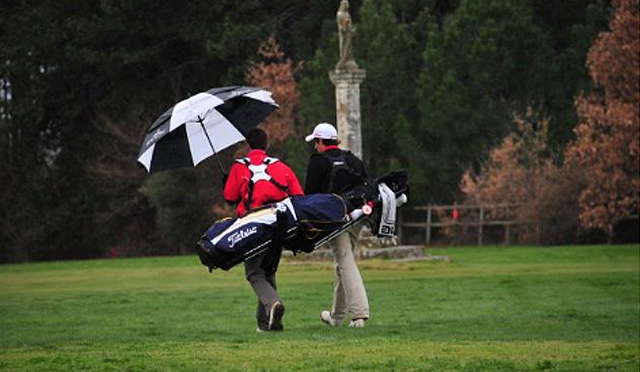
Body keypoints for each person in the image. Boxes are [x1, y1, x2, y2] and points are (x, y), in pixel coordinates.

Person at [223, 128, 304, 332]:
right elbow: (298, 195)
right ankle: (265, 324)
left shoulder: (239, 167)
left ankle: (273, 304)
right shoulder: (280, 166)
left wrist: (226, 181)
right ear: (266, 145)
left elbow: (230, 198)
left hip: (254, 224)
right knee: (269, 271)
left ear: (248, 145)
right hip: (279, 224)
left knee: (253, 272)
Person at [304, 122, 369, 328]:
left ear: (322, 141)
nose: (315, 146)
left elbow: (310, 195)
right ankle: (336, 317)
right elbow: (367, 183)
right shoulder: (351, 159)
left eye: (316, 142)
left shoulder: (318, 162)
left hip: (334, 219)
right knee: (342, 264)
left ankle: (359, 314)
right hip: (358, 217)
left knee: (345, 261)